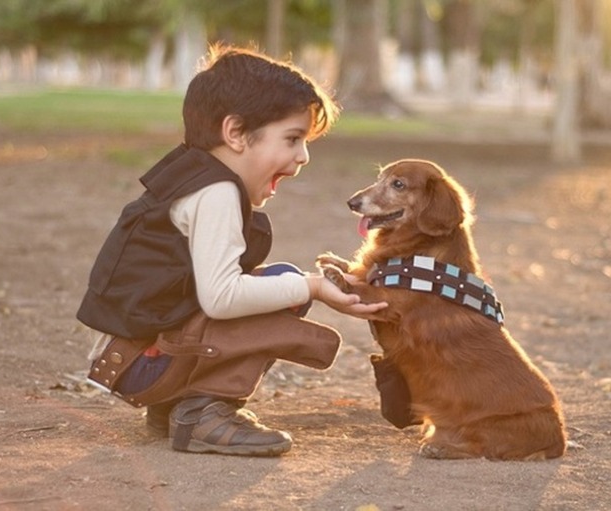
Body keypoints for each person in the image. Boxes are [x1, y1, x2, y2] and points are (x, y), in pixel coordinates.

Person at [77, 44, 386, 457]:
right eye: (292, 139)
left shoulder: (192, 176)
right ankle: (202, 413)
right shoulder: (216, 193)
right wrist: (311, 286)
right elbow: (220, 298)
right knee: (285, 286)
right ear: (236, 133)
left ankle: (175, 405)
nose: (303, 156)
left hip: (133, 358)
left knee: (278, 283)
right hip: (141, 365)